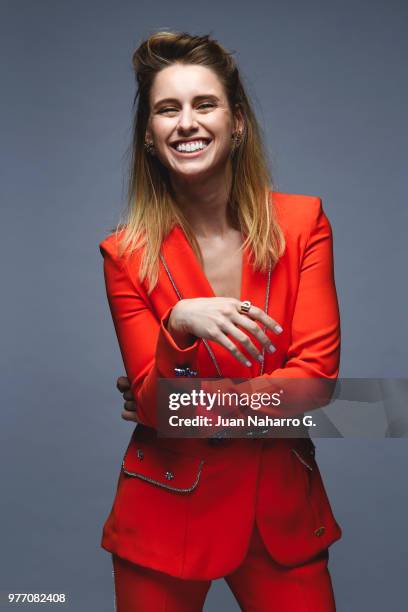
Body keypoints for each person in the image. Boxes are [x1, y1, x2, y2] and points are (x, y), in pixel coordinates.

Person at [99, 30, 342, 612]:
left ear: (236, 122)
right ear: (151, 138)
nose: (186, 122)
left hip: (280, 512)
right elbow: (158, 407)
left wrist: (184, 403)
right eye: (167, 109)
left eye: (203, 104)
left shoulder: (304, 223)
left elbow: (315, 384)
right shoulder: (125, 254)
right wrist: (177, 325)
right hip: (164, 514)